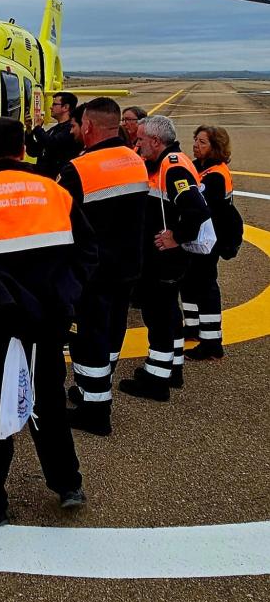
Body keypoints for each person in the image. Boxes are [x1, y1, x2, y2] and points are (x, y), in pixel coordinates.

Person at [0, 117, 98, 525]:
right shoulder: (55, 192)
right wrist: (62, 297)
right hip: (47, 323)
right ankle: (67, 483)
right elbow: (86, 253)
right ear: (24, 149)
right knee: (49, 402)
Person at [57, 99, 149, 435]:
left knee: (88, 338)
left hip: (92, 270)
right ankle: (94, 388)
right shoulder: (135, 162)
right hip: (128, 265)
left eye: (80, 125)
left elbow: (58, 222)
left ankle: (95, 411)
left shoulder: (78, 169)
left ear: (90, 127)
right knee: (112, 330)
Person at [119, 116, 211, 402]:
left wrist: (177, 236)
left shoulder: (172, 168)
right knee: (169, 312)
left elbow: (196, 209)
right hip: (164, 258)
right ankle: (173, 368)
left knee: (158, 315)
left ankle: (156, 379)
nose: (138, 144)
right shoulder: (166, 163)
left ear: (156, 141)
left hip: (163, 259)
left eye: (142, 140)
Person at [182, 125, 233, 360]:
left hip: (208, 240)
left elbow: (202, 206)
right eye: (196, 140)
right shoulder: (201, 167)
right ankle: (192, 327)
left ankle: (212, 341)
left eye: (202, 142)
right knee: (190, 283)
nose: (196, 145)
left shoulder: (215, 175)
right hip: (200, 239)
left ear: (215, 147)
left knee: (206, 287)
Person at [25, 91, 81, 178]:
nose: (51, 107)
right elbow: (33, 151)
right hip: (43, 177)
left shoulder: (70, 129)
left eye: (54, 104)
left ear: (65, 107)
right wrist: (29, 131)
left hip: (57, 180)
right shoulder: (53, 130)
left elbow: (51, 144)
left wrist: (38, 128)